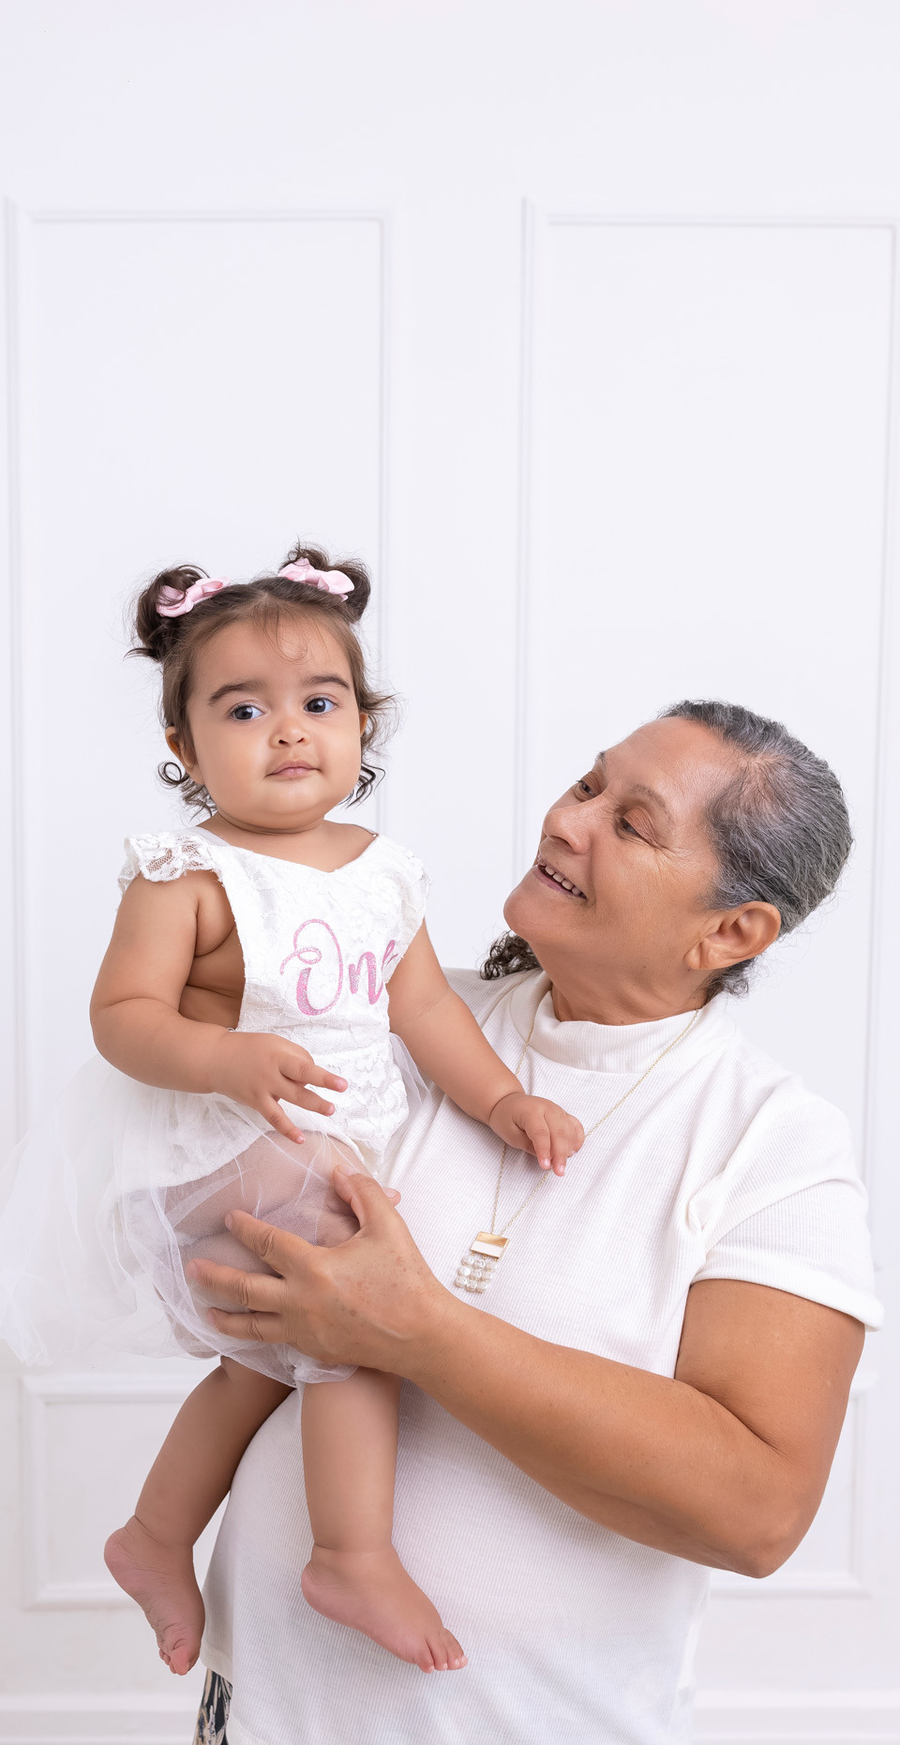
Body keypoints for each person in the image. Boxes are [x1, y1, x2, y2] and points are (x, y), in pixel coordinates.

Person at [187, 701, 882, 1745]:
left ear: (730, 931)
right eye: (588, 784)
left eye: (634, 823)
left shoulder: (770, 1143)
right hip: (260, 1715)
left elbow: (758, 1511)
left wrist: (419, 1333)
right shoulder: (389, 1020)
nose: (569, 820)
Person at [0, 546, 583, 1679]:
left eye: (319, 702)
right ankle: (351, 1552)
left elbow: (427, 1005)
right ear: (185, 752)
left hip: (318, 1136)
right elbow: (121, 1016)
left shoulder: (382, 870)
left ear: (364, 724)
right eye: (244, 709)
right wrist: (224, 1058)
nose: (290, 730)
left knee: (270, 1360)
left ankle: (154, 1534)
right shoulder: (185, 874)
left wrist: (500, 1097)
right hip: (213, 1141)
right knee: (359, 1306)